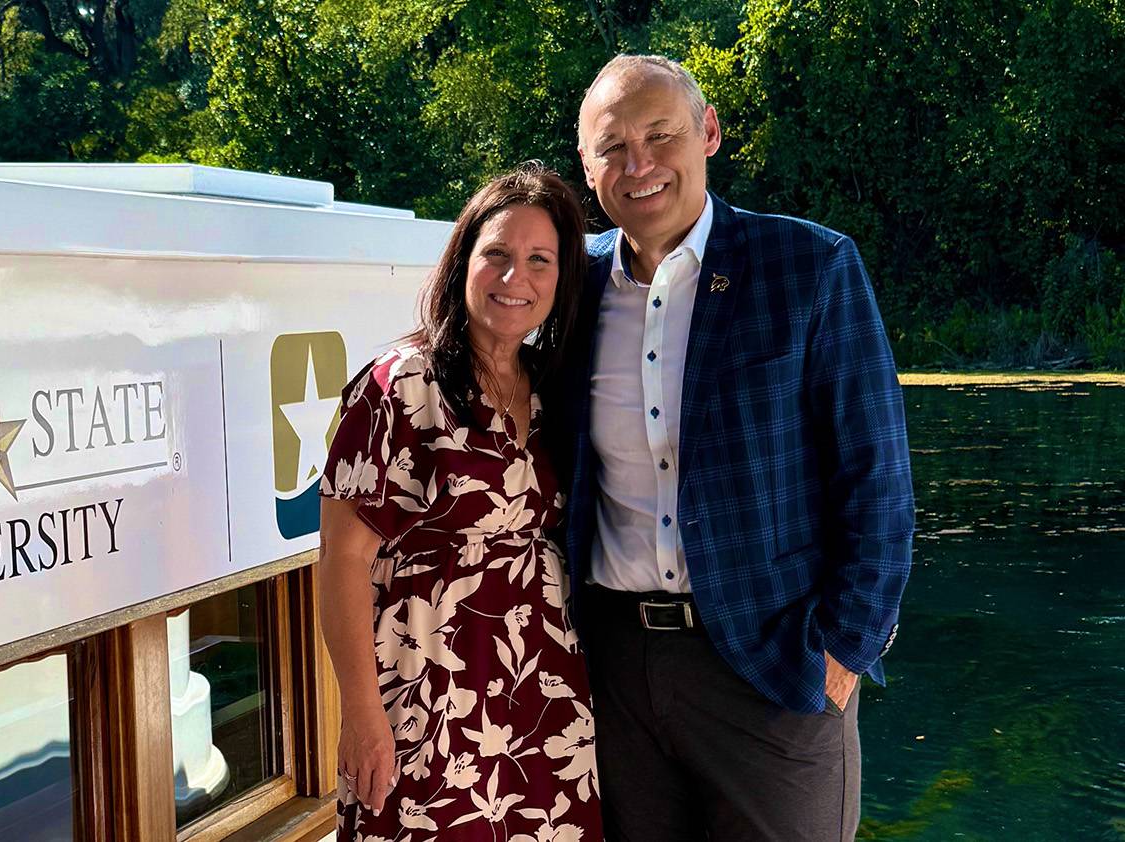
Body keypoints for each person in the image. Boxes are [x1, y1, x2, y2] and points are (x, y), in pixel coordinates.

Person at [558, 54, 915, 841]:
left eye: (661, 135)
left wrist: (841, 656)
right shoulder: (567, 287)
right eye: (612, 147)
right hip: (613, 672)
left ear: (709, 132)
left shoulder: (810, 267)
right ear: (586, 166)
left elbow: (879, 483)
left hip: (773, 666)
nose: (639, 165)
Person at [318, 164, 603, 841]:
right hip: (426, 693)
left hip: (543, 694)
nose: (516, 279)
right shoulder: (398, 386)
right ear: (463, 261)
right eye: (497, 255)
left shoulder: (549, 388)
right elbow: (339, 559)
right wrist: (361, 711)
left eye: (540, 260)